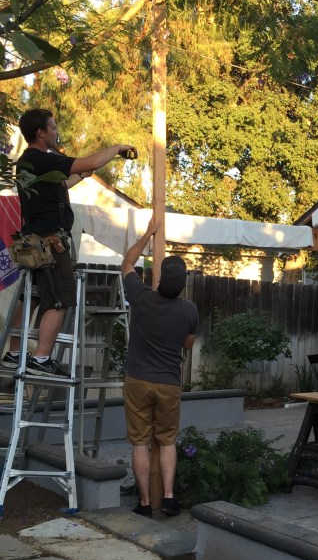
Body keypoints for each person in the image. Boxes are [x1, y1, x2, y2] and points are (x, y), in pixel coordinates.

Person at [2, 107, 136, 378]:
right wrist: (118, 147)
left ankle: (14, 353)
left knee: (36, 296)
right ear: (41, 133)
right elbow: (92, 162)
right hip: (52, 242)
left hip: (34, 240)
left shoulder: (28, 163)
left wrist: (81, 176)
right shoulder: (42, 159)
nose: (56, 131)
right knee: (61, 300)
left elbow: (61, 185)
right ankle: (41, 359)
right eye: (53, 127)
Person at [121, 218, 199, 518]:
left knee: (140, 443)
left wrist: (148, 234)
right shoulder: (189, 310)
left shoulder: (140, 298)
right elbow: (188, 345)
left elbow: (127, 262)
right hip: (168, 384)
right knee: (167, 442)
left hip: (138, 381)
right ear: (183, 284)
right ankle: (167, 497)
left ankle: (143, 503)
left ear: (158, 278)